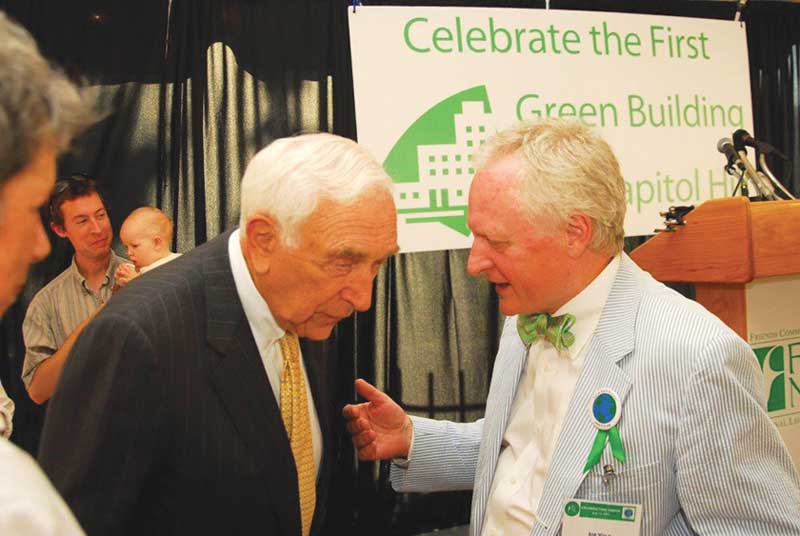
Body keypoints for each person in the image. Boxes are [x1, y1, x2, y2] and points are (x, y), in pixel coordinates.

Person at [343, 118, 800, 535]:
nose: (474, 263)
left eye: (495, 241)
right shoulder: (524, 315)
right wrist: (413, 439)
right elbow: (532, 450)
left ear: (575, 232)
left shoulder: (698, 357)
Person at [38, 132, 399, 535]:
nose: (363, 298)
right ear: (263, 240)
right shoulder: (136, 337)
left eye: (377, 264)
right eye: (343, 262)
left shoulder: (310, 312)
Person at [0, 9, 93, 535]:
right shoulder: (16, 505)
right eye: (30, 207)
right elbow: (34, 391)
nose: (37, 247)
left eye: (100, 215)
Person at [21, 174, 125, 404]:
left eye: (100, 215)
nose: (97, 229)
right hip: (82, 424)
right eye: (82, 221)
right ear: (60, 230)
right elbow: (38, 392)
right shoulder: (45, 303)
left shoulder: (144, 277)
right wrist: (100, 317)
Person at [114, 206, 181, 287]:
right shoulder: (136, 270)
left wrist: (136, 281)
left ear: (157, 243)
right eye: (126, 247)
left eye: (135, 246)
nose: (129, 253)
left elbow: (162, 290)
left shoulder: (177, 266)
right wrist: (121, 279)